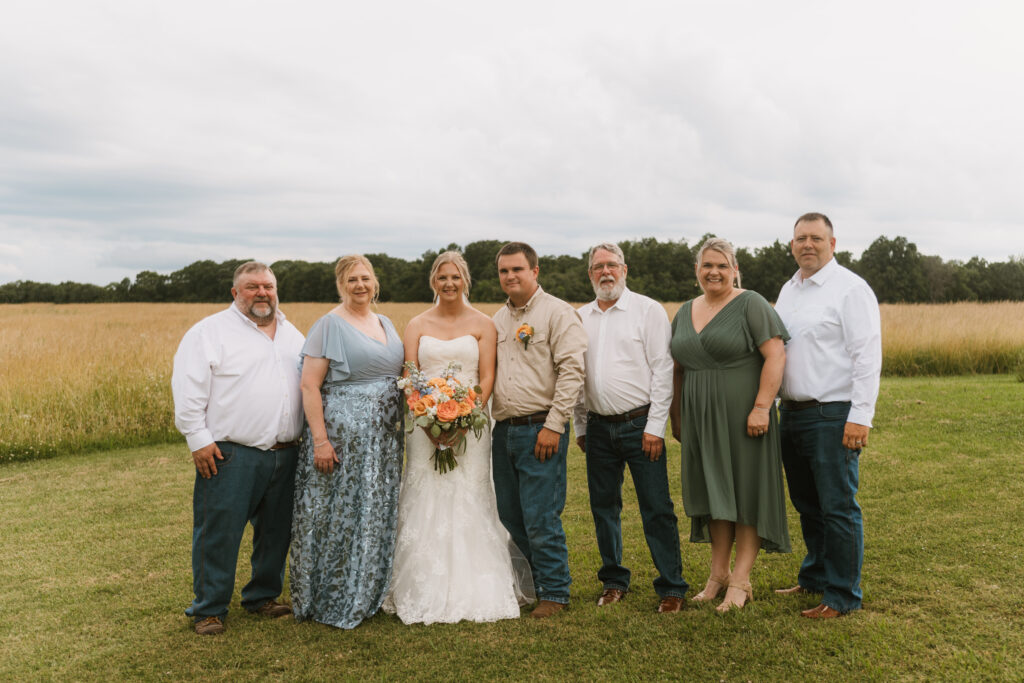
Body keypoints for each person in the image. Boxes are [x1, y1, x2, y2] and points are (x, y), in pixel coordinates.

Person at [383, 251, 534, 624]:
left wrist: (465, 418)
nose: (449, 283)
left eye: (455, 277)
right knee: (424, 492)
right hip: (424, 427)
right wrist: (428, 417)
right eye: (441, 277)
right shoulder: (417, 324)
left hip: (473, 425)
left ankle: (477, 585)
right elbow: (411, 377)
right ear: (433, 281)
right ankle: (420, 585)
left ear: (465, 280)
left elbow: (486, 377)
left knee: (470, 494)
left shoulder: (484, 323)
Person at [172, 261, 305, 636]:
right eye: (252, 287)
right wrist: (198, 440)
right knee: (220, 532)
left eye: (268, 286)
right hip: (231, 453)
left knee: (276, 532)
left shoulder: (293, 334)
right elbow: (187, 389)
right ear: (235, 293)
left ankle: (262, 596)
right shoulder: (209, 332)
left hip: (285, 451)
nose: (262, 293)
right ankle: (209, 608)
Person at [669, 237, 791, 612]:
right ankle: (717, 575)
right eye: (707, 265)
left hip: (743, 416)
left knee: (745, 492)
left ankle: (741, 580)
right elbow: (678, 368)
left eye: (722, 265)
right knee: (714, 492)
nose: (715, 272)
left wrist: (761, 407)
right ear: (697, 272)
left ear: (735, 269)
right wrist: (676, 415)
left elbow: (776, 354)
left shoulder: (751, 303)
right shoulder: (685, 310)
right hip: (699, 419)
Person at [773, 213, 882, 619]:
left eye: (816, 238)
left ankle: (841, 595)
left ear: (832, 244)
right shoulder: (789, 288)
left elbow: (867, 357)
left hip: (833, 413)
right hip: (794, 414)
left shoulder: (850, 289)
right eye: (800, 238)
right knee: (807, 503)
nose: (808, 245)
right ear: (791, 245)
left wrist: (860, 417)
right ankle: (815, 576)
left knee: (837, 506)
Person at [289, 255, 405, 629]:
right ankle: (332, 594)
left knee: (373, 512)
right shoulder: (328, 325)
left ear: (375, 283)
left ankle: (369, 588)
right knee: (341, 514)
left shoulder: (384, 321)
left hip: (384, 442)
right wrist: (320, 441)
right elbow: (310, 385)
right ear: (341, 284)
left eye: (366, 278)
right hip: (343, 439)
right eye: (352, 279)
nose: (360, 285)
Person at [573, 242, 689, 613]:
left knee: (656, 507)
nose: (605, 272)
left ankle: (671, 586)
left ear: (625, 269)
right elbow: (574, 375)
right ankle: (613, 581)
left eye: (612, 265)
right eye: (597, 267)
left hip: (640, 425)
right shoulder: (579, 317)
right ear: (590, 273)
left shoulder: (647, 310)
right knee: (603, 507)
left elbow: (663, 370)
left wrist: (655, 427)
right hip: (598, 428)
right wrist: (579, 425)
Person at [491, 242, 587, 619]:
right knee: (510, 515)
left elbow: (572, 372)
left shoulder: (558, 314)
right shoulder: (497, 320)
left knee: (541, 515)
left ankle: (555, 592)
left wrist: (554, 425)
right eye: (504, 271)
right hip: (504, 431)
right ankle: (529, 586)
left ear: (535, 271)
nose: (510, 276)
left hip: (540, 429)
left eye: (517, 269)